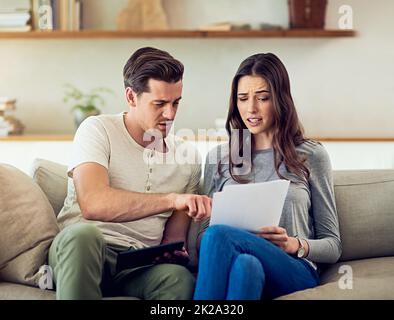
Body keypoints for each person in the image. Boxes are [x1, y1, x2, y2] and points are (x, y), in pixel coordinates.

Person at [50, 47, 211, 300]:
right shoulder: (97, 130)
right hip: (84, 252)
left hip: (136, 266)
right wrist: (171, 199)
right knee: (84, 235)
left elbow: (173, 239)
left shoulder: (188, 158)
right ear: (131, 96)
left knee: (178, 280)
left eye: (175, 103)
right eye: (159, 104)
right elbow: (93, 203)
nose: (170, 114)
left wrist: (173, 253)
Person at [194, 53, 342, 300]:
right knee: (245, 266)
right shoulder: (218, 158)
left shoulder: (311, 154)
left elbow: (333, 245)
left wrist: (294, 244)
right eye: (243, 98)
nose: (251, 108)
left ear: (281, 100)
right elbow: (201, 240)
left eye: (262, 98)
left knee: (218, 234)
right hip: (239, 263)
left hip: (292, 269)